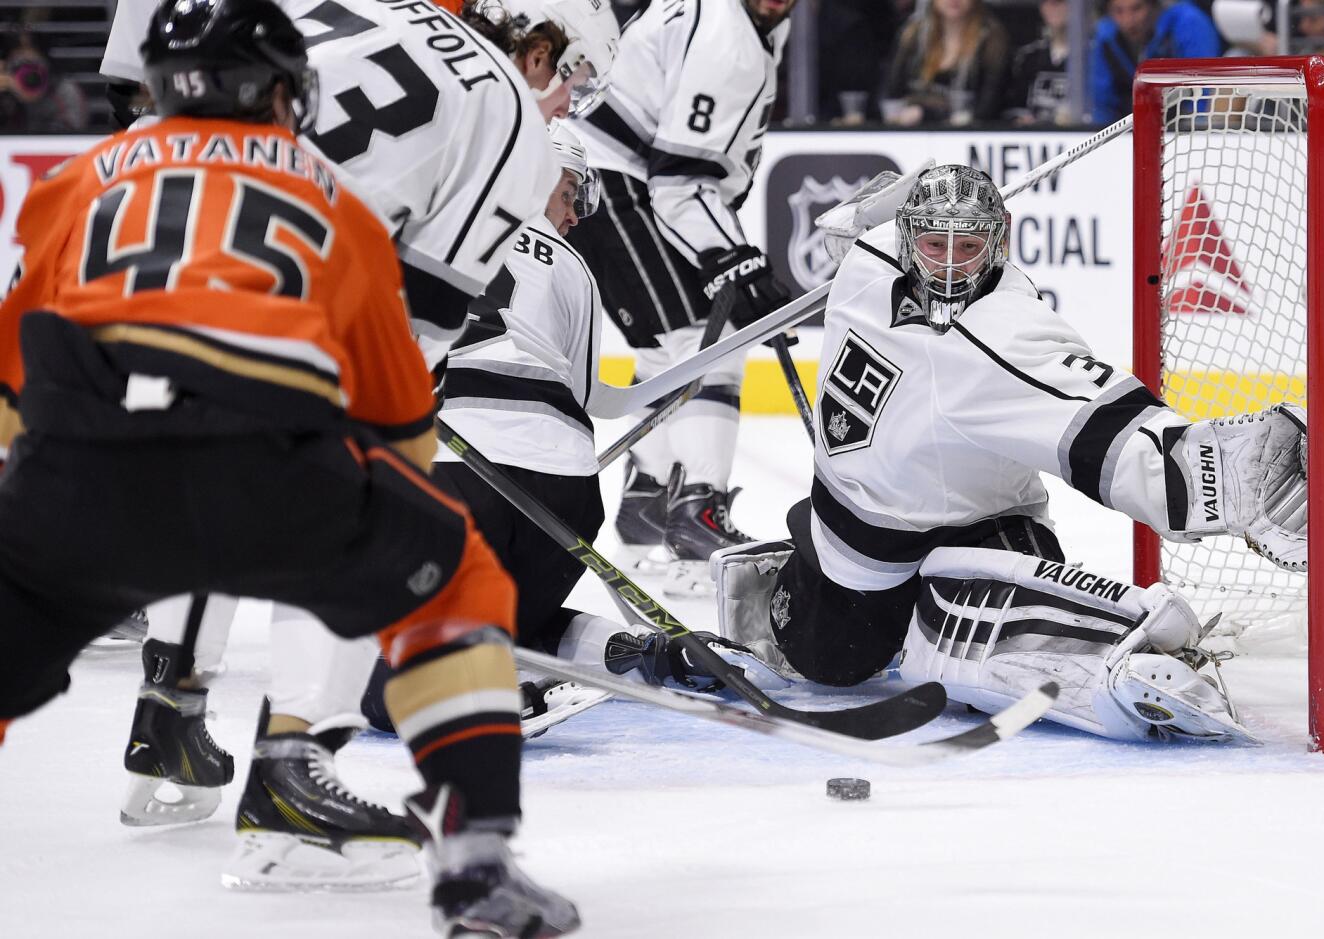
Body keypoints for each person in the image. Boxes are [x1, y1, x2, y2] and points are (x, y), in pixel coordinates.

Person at [0, 1, 579, 936]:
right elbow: (395, 400)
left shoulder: (80, 175)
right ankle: (324, 786)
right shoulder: (361, 179)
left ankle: (168, 717)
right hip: (267, 456)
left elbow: (19, 359)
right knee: (440, 559)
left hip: (78, 464)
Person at [709, 164, 1310, 745]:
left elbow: (1118, 434)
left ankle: (1122, 649)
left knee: (956, 636)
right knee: (828, 661)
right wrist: (894, 199)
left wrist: (1238, 474)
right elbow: (856, 220)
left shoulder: (1005, 336)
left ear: (998, 243)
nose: (947, 264)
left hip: (978, 535)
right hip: (845, 550)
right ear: (905, 237)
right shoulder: (870, 256)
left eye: (966, 245)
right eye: (932, 243)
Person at [361, 120, 790, 733]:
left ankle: (476, 693)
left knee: (359, 653)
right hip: (565, 495)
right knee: (507, 618)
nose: (576, 215)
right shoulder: (572, 265)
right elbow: (597, 397)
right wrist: (690, 375)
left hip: (455, 472)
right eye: (570, 194)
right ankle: (646, 652)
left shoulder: (435, 233)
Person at [567, 0, 797, 598]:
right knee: (704, 342)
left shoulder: (745, 23)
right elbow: (679, 178)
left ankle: (648, 503)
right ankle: (698, 514)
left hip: (598, 174)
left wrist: (730, 257)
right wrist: (733, 260)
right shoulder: (727, 33)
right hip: (611, 182)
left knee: (666, 348)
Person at [1090, 0, 1223, 125]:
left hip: (1185, 127)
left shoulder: (1189, 22)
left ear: (1154, 5)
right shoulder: (1106, 36)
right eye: (1118, 11)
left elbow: (1203, 91)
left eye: (1137, 9)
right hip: (1131, 129)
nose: (1128, 21)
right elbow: (1102, 103)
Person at [882, 0, 1010, 127]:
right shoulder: (913, 34)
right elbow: (891, 88)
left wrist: (927, 114)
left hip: (965, 131)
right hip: (910, 128)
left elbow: (990, 104)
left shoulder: (992, 39)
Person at [1007, 0, 1070, 126]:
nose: (1053, 6)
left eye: (1060, 1)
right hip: (1035, 139)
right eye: (1046, 1)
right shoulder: (1028, 56)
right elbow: (1015, 107)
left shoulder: (1093, 56)